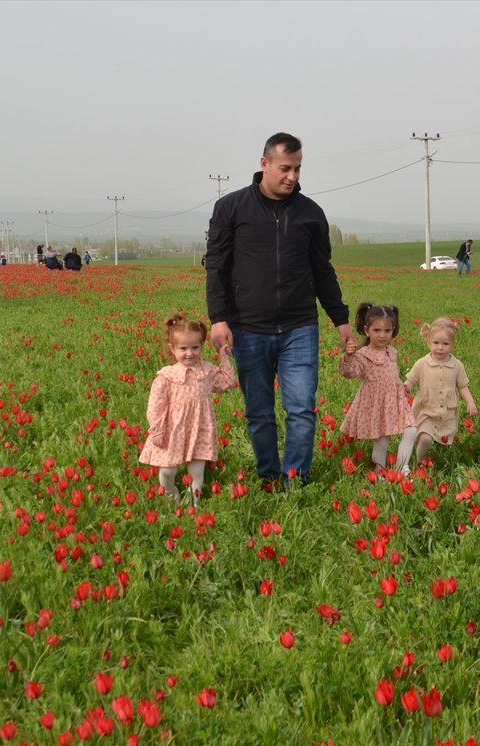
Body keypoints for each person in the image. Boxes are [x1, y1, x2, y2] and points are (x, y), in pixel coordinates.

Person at [205, 131, 354, 485]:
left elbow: (322, 270)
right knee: (259, 412)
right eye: (285, 168)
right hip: (247, 327)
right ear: (265, 164)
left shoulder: (311, 214)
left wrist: (341, 320)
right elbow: (216, 266)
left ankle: (295, 480)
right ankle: (270, 477)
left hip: (299, 327)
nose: (292, 176)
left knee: (301, 409)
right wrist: (219, 318)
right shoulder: (231, 208)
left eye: (298, 168)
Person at [138, 315, 236, 503]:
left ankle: (193, 503)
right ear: (172, 349)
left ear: (201, 346)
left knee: (197, 472)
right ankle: (170, 493)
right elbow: (156, 405)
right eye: (183, 348)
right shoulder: (167, 376)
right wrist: (157, 429)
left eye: (195, 348)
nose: (189, 353)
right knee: (167, 470)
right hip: (172, 431)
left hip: (199, 429)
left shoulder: (207, 371)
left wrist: (224, 358)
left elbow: (227, 382)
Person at [339, 303, 417, 477]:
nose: (382, 335)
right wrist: (349, 357)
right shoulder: (363, 355)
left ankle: (401, 467)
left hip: (395, 401)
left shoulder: (392, 352)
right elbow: (350, 373)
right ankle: (379, 472)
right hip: (376, 404)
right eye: (377, 330)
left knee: (411, 430)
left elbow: (392, 374)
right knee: (382, 441)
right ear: (367, 331)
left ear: (393, 330)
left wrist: (401, 385)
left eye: (387, 331)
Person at [403, 316, 478, 468]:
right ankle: (420, 463)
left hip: (447, 413)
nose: (440, 348)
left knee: (443, 442)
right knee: (425, 438)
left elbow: (462, 386)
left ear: (452, 344)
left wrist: (470, 402)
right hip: (427, 410)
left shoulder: (457, 365)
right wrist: (407, 387)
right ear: (429, 342)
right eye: (436, 343)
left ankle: (441, 463)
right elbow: (411, 380)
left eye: (445, 344)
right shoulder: (422, 363)